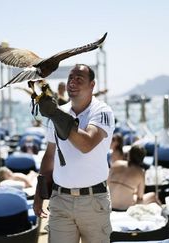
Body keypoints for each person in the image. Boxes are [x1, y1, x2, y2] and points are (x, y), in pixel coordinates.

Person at [33, 64, 115, 243]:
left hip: (94, 201)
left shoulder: (102, 111)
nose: (72, 82)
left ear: (92, 85)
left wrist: (55, 114)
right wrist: (39, 192)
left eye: (79, 79)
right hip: (60, 200)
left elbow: (87, 144)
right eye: (71, 78)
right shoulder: (59, 113)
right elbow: (49, 155)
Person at [108, 144, 157, 211]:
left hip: (108, 204)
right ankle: (166, 215)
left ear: (129, 155)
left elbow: (107, 183)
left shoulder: (116, 163)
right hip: (124, 208)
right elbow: (140, 197)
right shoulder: (140, 172)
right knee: (153, 196)